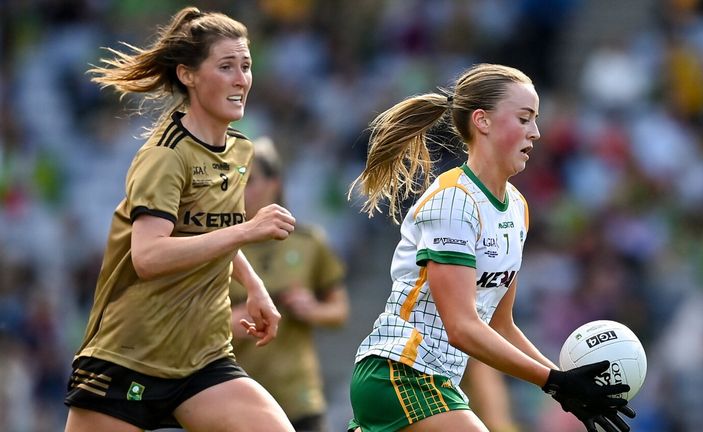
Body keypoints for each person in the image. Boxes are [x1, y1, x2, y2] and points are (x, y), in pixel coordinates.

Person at [345, 63, 636, 432]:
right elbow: (462, 327)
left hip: (435, 380)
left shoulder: (517, 208)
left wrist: (565, 386)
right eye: (524, 118)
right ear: (482, 121)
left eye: (535, 120)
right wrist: (554, 381)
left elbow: (500, 324)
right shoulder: (454, 201)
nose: (536, 132)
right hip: (399, 371)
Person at [64, 7, 297, 432]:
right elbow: (148, 256)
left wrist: (254, 284)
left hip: (203, 359)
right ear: (188, 75)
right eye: (226, 66)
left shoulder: (240, 150)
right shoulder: (166, 155)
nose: (241, 79)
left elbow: (209, 229)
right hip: (127, 357)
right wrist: (248, 230)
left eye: (246, 66)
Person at [230, 136, 350, 432]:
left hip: (298, 395)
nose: (240, 190)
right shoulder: (220, 245)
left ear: (275, 184)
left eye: (250, 181)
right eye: (234, 181)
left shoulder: (308, 242)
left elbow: (340, 311)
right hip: (235, 395)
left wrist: (312, 309)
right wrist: (225, 321)